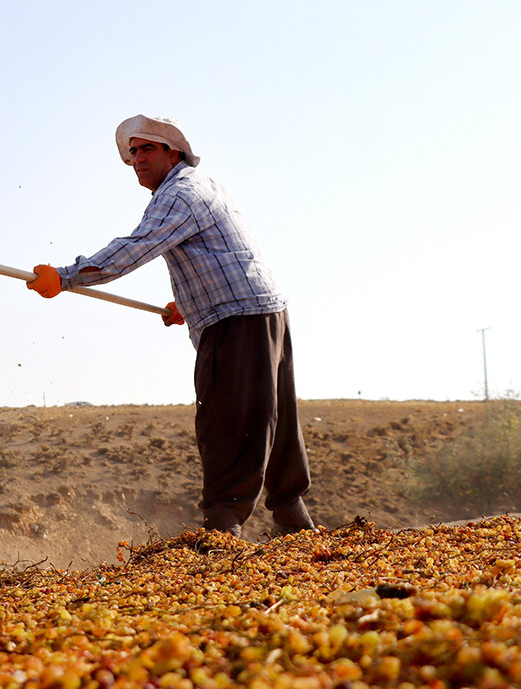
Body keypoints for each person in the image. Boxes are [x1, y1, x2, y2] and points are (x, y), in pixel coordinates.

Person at [26, 114, 315, 539]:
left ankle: (222, 529)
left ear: (172, 151)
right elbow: (218, 252)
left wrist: (66, 277)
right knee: (270, 415)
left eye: (146, 149)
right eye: (133, 152)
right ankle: (293, 521)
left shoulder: (180, 193)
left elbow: (138, 246)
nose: (137, 159)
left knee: (226, 419)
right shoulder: (200, 188)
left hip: (236, 318)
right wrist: (189, 302)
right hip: (260, 310)